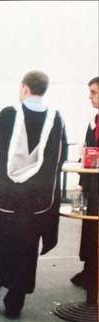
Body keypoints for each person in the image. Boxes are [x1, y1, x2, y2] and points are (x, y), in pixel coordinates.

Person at [0, 70, 67, 319]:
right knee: (25, 253)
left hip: (3, 200)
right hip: (36, 204)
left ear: (25, 88)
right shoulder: (56, 119)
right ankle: (14, 305)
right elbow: (59, 160)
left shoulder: (6, 115)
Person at [70, 76, 98, 289]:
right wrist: (81, 181)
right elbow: (88, 151)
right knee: (90, 228)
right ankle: (90, 269)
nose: (90, 97)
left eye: (94, 92)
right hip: (93, 187)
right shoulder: (95, 121)